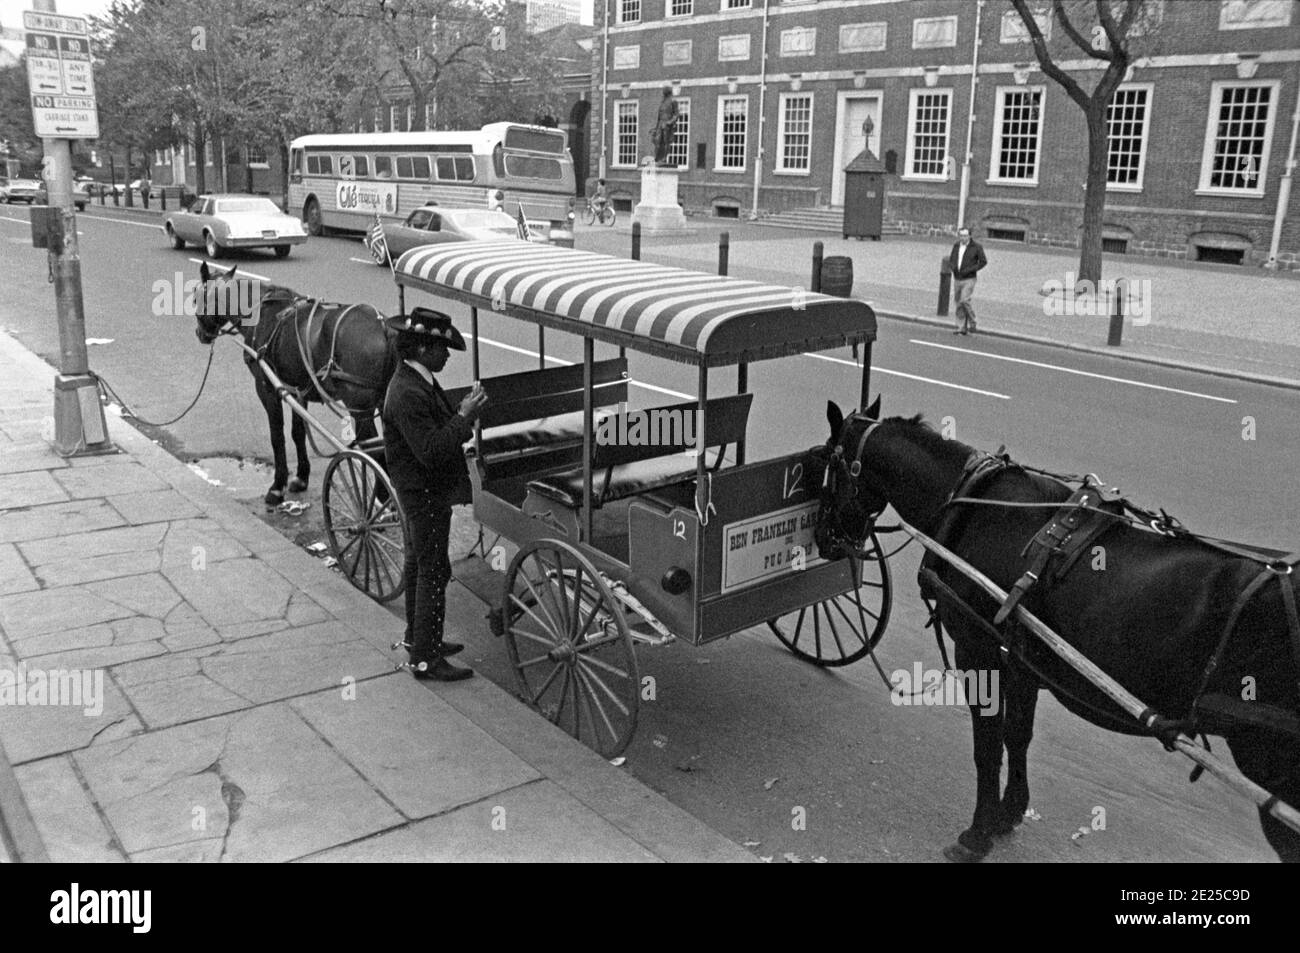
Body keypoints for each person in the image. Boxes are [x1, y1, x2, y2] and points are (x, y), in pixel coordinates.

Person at [382, 308, 489, 681]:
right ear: (423, 349)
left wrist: (461, 416)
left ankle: (420, 640)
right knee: (432, 571)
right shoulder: (409, 392)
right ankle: (427, 661)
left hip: (422, 492)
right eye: (443, 349)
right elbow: (430, 450)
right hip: (424, 494)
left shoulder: (415, 379)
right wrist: (463, 416)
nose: (447, 356)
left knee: (419, 567)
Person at [949, 226, 987, 335]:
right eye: (961, 235)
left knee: (964, 300)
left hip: (969, 278)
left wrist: (971, 269)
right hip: (957, 278)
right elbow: (952, 259)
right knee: (959, 303)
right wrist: (953, 268)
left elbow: (983, 261)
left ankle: (973, 321)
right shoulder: (956, 246)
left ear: (969, 236)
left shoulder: (976, 247)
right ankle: (961, 327)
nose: (963, 238)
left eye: (965, 235)